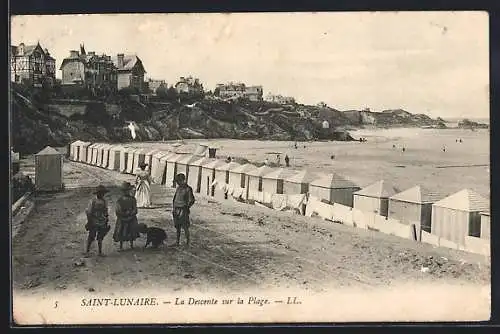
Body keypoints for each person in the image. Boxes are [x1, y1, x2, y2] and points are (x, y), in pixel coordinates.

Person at [85, 185, 111, 257]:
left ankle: (100, 252)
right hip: (94, 220)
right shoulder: (93, 201)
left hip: (102, 220)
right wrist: (89, 221)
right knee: (91, 236)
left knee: (100, 237)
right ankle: (87, 251)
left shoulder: (104, 201)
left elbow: (106, 211)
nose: (102, 194)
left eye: (103, 193)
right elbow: (88, 211)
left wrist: (106, 218)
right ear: (97, 193)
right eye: (100, 193)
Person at [113, 181, 140, 251]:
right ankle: (121, 246)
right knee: (121, 231)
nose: (126, 192)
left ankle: (131, 245)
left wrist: (131, 213)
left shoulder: (133, 199)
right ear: (122, 191)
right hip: (123, 217)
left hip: (130, 217)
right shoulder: (120, 200)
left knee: (131, 231)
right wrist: (125, 214)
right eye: (125, 191)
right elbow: (118, 210)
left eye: (127, 191)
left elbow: (135, 209)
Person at [172, 173, 195, 247]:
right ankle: (177, 241)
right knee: (177, 226)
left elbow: (191, 200)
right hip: (176, 209)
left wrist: (186, 207)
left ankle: (187, 242)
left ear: (182, 180)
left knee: (185, 227)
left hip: (183, 210)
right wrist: (174, 208)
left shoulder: (188, 189)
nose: (177, 183)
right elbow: (175, 198)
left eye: (178, 181)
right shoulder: (178, 188)